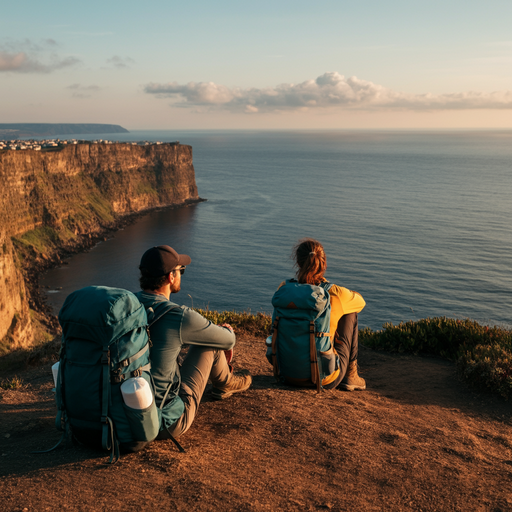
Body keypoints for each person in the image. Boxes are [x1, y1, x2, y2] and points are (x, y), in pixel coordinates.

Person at [135, 245, 252, 442]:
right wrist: (225, 330)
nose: (181, 274)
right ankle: (226, 384)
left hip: (127, 412)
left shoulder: (127, 306)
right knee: (210, 343)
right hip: (166, 423)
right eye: (181, 270)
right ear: (170, 277)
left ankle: (225, 383)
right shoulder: (178, 316)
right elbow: (228, 340)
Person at [272, 238, 366, 391]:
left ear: (298, 262)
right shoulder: (334, 293)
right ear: (323, 263)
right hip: (323, 378)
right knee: (351, 313)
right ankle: (351, 375)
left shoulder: (284, 289)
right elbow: (361, 302)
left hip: (285, 373)